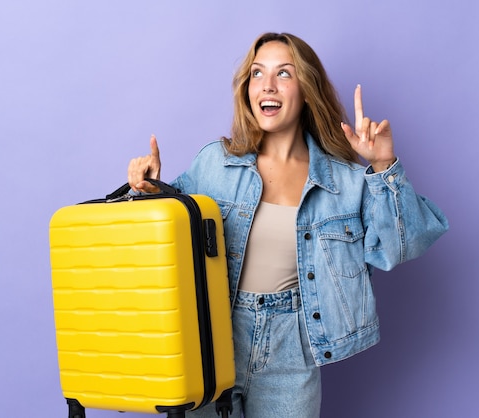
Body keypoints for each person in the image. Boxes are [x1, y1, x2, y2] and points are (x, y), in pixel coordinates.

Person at [127, 32, 448, 418]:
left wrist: (382, 167)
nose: (267, 84)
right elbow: (166, 241)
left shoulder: (345, 180)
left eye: (284, 73)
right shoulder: (216, 162)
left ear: (307, 90)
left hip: (292, 347)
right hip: (212, 337)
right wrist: (148, 189)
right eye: (257, 73)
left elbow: (400, 248)